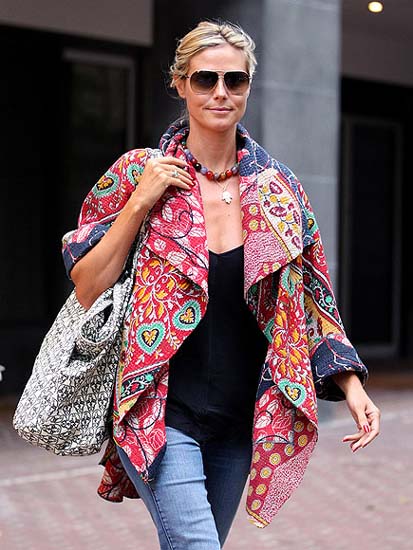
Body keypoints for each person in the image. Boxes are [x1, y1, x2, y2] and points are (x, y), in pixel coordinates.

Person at [62, 20, 381, 550]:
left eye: (235, 80)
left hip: (238, 424)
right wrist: (140, 203)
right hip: (159, 413)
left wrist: (351, 385)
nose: (220, 92)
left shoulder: (279, 189)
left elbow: (313, 299)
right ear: (180, 84)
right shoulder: (139, 172)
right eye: (205, 79)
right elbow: (87, 284)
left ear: (249, 86)